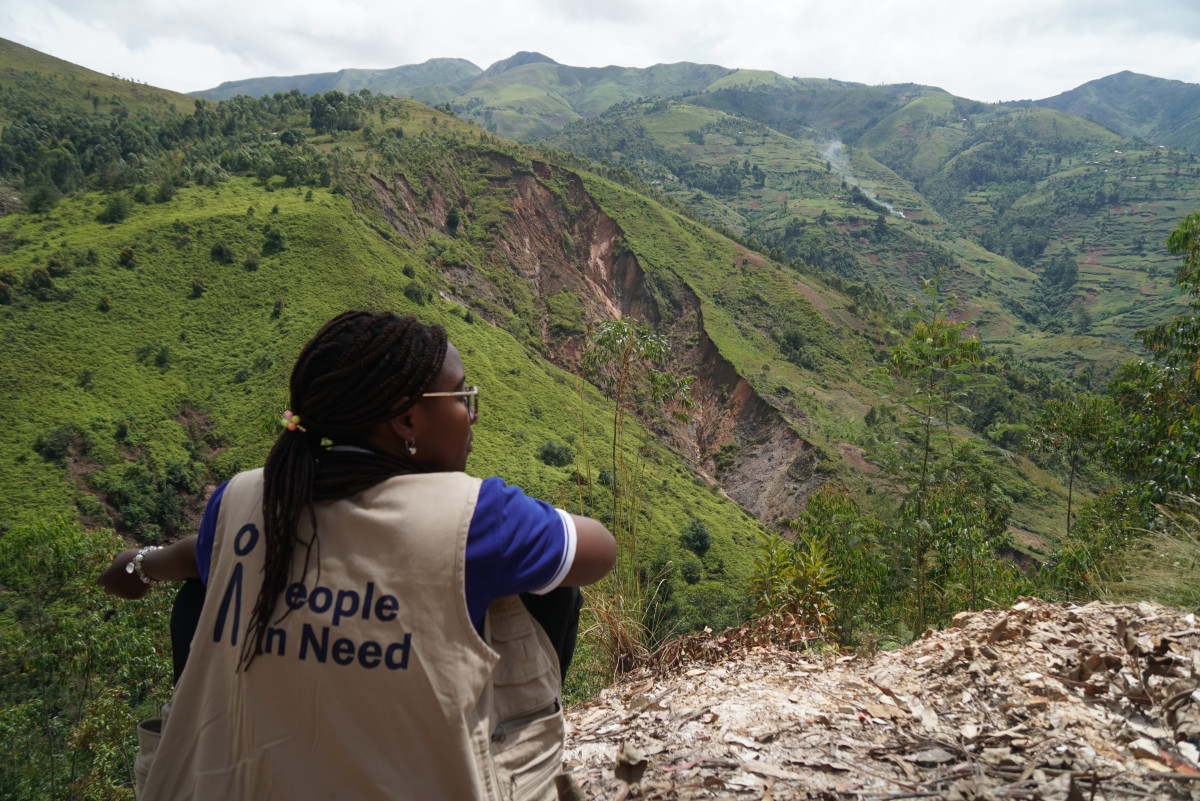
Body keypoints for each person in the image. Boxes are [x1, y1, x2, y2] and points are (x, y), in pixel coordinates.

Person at [99, 310, 616, 801]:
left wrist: (139, 564)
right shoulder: (475, 516)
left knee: (201, 592)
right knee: (547, 580)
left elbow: (192, 557)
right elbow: (598, 550)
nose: (472, 412)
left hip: (242, 778)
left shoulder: (242, 499)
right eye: (462, 396)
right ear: (406, 420)